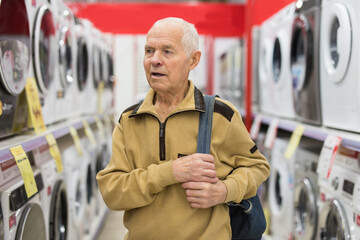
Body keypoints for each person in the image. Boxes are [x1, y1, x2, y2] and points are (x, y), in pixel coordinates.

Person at [96, 17, 270, 240]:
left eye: (167, 51)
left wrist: (224, 191)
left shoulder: (219, 115)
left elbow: (257, 167)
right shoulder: (130, 120)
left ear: (193, 60)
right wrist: (170, 172)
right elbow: (112, 193)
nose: (155, 60)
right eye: (149, 51)